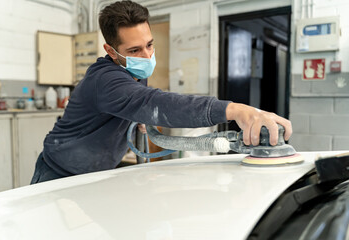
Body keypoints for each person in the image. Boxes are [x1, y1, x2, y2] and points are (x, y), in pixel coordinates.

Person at [31, 0, 292, 184]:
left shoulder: (134, 72)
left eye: (149, 45)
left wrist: (136, 115)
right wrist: (234, 109)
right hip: (60, 173)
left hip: (95, 173)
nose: (146, 56)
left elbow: (139, 101)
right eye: (134, 51)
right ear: (111, 51)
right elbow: (157, 103)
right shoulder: (105, 80)